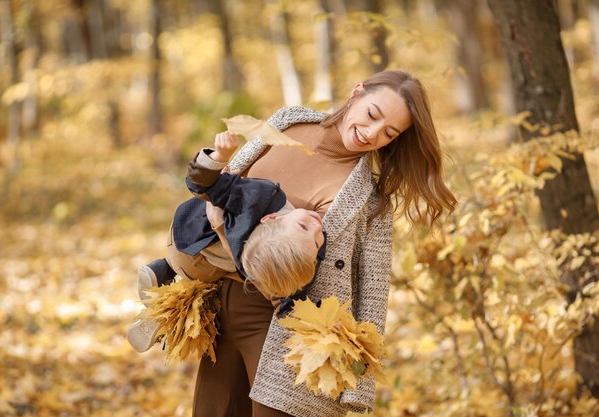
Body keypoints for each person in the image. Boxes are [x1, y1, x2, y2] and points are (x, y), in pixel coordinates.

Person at [190, 70, 457, 417]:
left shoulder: (372, 200)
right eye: (373, 114)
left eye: (389, 133)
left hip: (287, 324)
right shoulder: (289, 122)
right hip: (220, 304)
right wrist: (214, 162)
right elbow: (218, 184)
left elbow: (372, 294)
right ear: (357, 91)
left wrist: (358, 385)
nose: (372, 133)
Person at [127, 132, 325, 353]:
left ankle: (161, 297)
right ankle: (165, 285)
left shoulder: (263, 206)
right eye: (305, 228)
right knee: (218, 285)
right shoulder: (288, 255)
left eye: (317, 243)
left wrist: (219, 158)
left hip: (195, 253)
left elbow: (202, 183)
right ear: (269, 218)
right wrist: (220, 156)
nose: (317, 227)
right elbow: (290, 303)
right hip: (192, 239)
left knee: (208, 287)